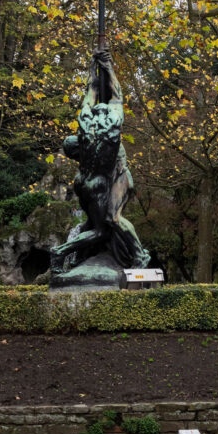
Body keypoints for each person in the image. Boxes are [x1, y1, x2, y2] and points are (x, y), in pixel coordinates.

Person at [50, 49, 150, 276]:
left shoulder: (85, 125)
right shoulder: (112, 126)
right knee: (111, 221)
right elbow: (117, 94)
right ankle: (139, 256)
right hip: (108, 180)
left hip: (85, 183)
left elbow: (91, 91)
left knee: (94, 226)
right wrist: (108, 67)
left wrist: (92, 71)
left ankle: (72, 255)